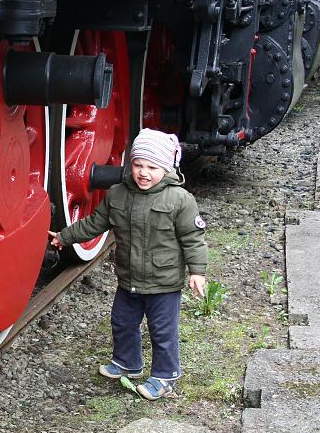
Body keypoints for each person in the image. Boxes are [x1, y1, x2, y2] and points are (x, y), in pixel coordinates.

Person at [48, 128, 207, 400]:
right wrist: (65, 236)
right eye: (138, 165)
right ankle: (128, 362)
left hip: (163, 283)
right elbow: (95, 223)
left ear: (166, 167)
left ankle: (165, 375)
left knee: (162, 331)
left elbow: (193, 238)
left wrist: (197, 272)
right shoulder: (118, 194)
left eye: (152, 167)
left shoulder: (180, 200)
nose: (143, 172)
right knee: (122, 322)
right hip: (129, 278)